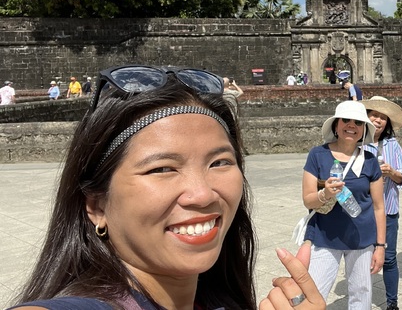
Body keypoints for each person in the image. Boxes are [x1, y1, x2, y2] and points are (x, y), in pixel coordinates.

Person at [10, 65, 325, 310]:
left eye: (220, 163)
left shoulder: (216, 299)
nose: (202, 194)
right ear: (96, 205)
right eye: (162, 169)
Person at [301, 100, 386, 309]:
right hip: (325, 235)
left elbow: (378, 206)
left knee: (361, 293)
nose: (351, 125)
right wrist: (325, 194)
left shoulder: (369, 160)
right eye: (345, 120)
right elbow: (307, 199)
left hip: (361, 237)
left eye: (358, 122)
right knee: (315, 292)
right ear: (336, 125)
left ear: (364, 129)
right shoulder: (317, 155)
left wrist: (380, 247)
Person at [361, 96, 402, 310]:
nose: (378, 120)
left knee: (389, 258)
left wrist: (393, 172)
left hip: (388, 211)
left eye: (383, 117)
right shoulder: (356, 144)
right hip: (362, 212)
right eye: (374, 115)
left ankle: (392, 303)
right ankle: (361, 301)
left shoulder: (392, 145)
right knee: (361, 260)